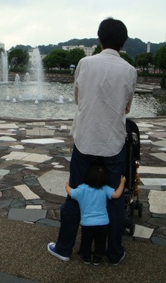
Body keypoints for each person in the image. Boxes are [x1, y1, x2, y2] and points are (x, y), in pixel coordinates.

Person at [47, 17, 137, 265]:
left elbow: (78, 98)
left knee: (75, 194)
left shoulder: (84, 64)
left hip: (85, 140)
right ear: (123, 42)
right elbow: (127, 107)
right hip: (113, 143)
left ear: (99, 39)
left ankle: (64, 248)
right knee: (115, 199)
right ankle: (114, 253)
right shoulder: (130, 70)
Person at [65, 163, 126, 265]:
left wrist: (67, 185)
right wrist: (122, 182)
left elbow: (71, 193)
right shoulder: (105, 188)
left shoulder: (82, 188)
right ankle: (98, 257)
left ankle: (86, 256)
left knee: (86, 241)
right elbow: (116, 195)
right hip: (103, 223)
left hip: (87, 223)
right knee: (100, 242)